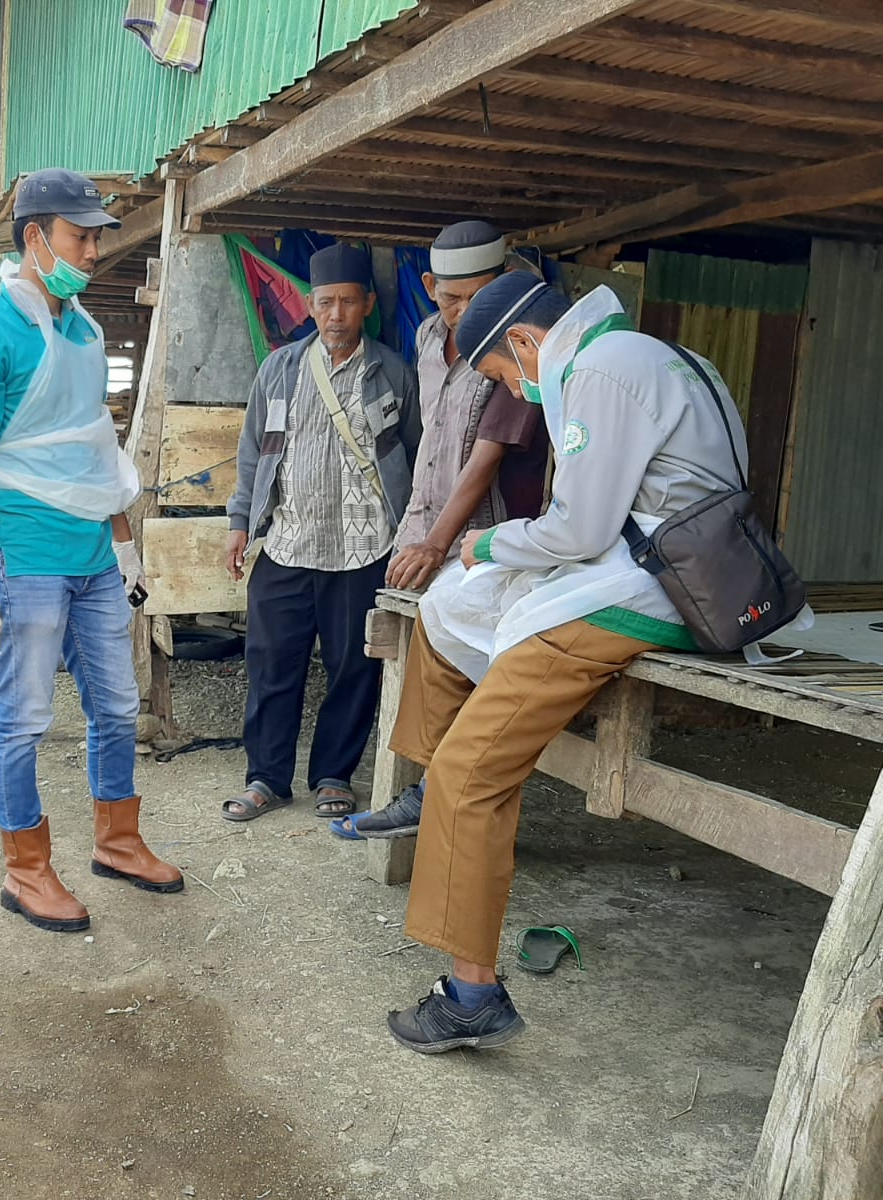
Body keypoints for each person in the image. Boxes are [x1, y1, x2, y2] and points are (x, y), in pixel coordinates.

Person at [383, 273, 748, 1053]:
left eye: (503, 376)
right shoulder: (661, 356)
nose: (517, 391)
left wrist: (487, 541)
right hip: (679, 578)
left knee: (471, 771)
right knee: (450, 608)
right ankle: (427, 789)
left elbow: (580, 532)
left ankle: (470, 995)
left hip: (645, 595)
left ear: (524, 342)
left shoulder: (599, 372)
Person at [0, 168, 183, 935]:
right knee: (23, 718)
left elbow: (94, 446)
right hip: (25, 556)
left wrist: (124, 542)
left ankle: (117, 841)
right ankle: (25, 869)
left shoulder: (82, 331)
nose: (92, 251)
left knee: (117, 705)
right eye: (80, 236)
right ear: (35, 237)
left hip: (92, 557)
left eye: (95, 238)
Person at [338, 221, 550, 842]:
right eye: (451, 297)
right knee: (421, 648)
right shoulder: (428, 338)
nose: (462, 312)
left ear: (503, 285)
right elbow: (430, 439)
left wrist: (439, 545)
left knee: (472, 653)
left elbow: (487, 458)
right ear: (429, 286)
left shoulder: (516, 348)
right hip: (422, 526)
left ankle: (445, 793)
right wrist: (419, 533)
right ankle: (433, 790)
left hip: (485, 537)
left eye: (476, 297)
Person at [221, 243, 421, 822]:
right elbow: (254, 453)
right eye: (326, 302)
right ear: (310, 305)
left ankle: (334, 774)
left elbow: (415, 454)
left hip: (364, 548)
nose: (336, 314)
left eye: (348, 302)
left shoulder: (394, 373)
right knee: (270, 663)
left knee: (353, 668)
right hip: (288, 542)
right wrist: (240, 522)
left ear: (368, 305)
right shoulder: (279, 370)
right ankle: (266, 778)